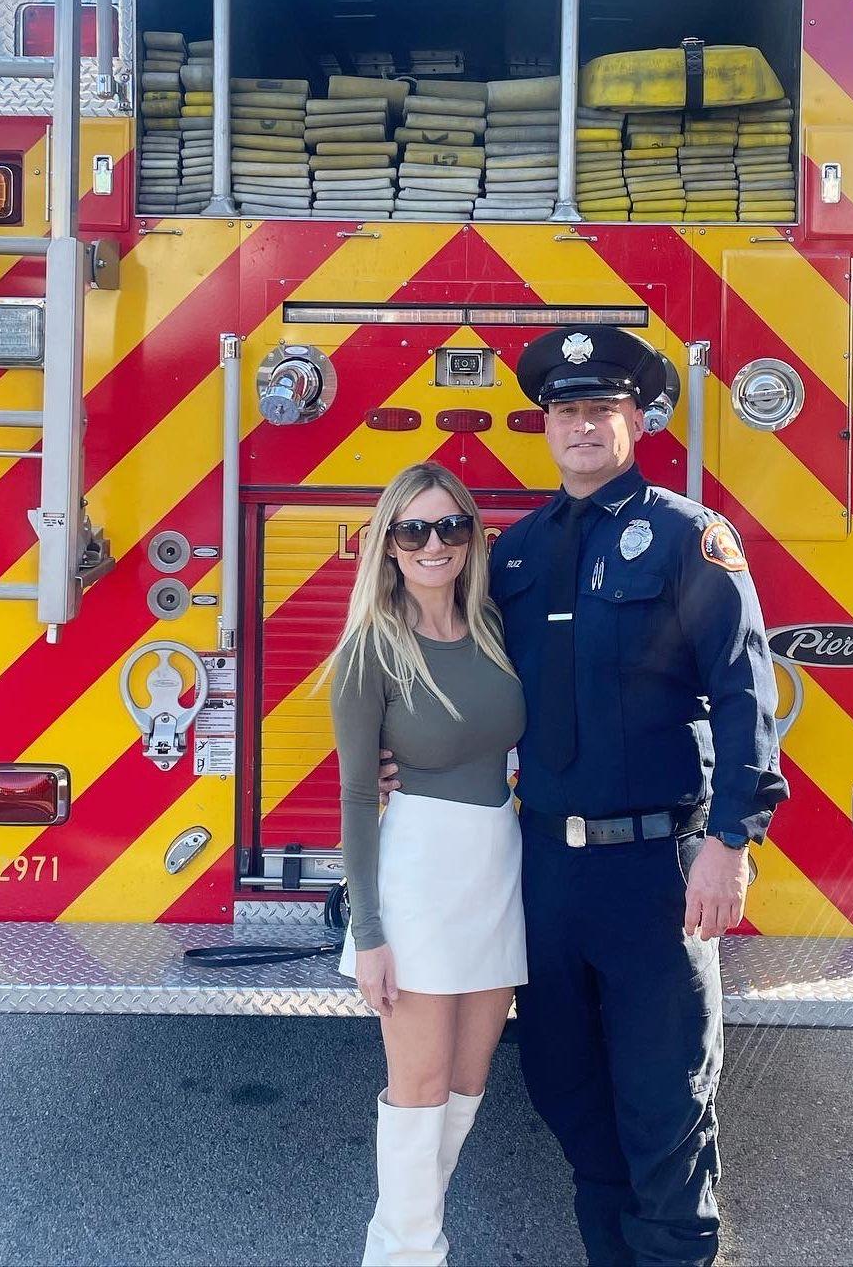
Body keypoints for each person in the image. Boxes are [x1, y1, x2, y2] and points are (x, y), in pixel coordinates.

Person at [382, 326, 786, 1266]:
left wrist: (731, 841)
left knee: (666, 1104)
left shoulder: (690, 536)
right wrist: (407, 754)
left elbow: (743, 690)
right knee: (568, 1095)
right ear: (547, 426)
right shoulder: (514, 556)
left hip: (657, 872)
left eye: (600, 409)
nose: (581, 427)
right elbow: (454, 669)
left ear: (636, 419)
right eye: (565, 411)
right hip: (546, 878)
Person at [324, 460, 527, 1266]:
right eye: (414, 529)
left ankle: (397, 1242)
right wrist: (368, 932)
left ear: (472, 537)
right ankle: (412, 1254)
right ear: (389, 545)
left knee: (467, 1088)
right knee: (418, 1092)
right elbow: (352, 799)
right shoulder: (370, 648)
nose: (434, 543)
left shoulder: (491, 629)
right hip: (416, 883)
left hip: (496, 872)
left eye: (450, 526)